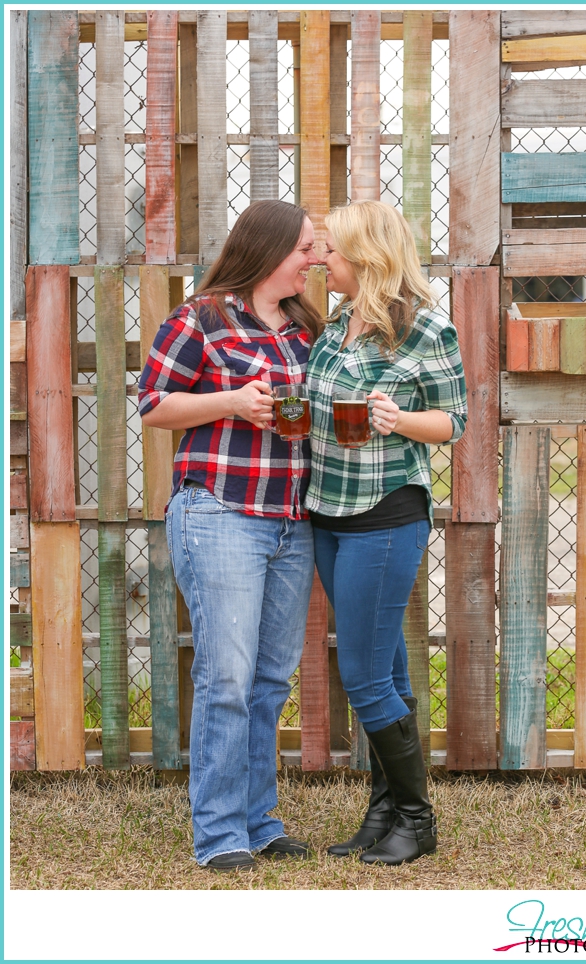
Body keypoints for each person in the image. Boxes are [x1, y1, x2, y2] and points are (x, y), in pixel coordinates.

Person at [138, 200, 323, 871]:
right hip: (220, 513)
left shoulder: (305, 327)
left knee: (270, 679)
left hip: (291, 521)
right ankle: (220, 836)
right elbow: (154, 403)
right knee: (227, 676)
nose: (316, 260)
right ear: (270, 250)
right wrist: (232, 402)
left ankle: (259, 820)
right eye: (307, 248)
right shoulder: (202, 319)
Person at [306, 201, 467, 865]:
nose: (321, 262)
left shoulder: (426, 328)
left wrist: (400, 418)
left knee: (365, 674)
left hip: (385, 513)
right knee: (389, 670)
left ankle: (418, 821)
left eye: (331, 253)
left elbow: (452, 423)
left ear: (366, 259)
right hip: (328, 510)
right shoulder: (338, 323)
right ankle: (384, 810)